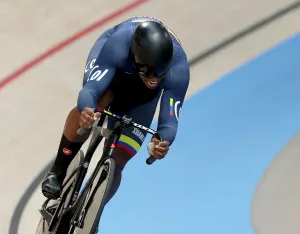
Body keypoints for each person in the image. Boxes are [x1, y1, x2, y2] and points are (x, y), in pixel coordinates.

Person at [41, 16, 190, 205]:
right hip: (113, 69)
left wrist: (161, 142)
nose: (154, 80)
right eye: (149, 74)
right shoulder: (118, 45)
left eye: (160, 75)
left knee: (120, 158)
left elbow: (169, 122)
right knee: (99, 102)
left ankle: (89, 208)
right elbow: (90, 90)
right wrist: (87, 110)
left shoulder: (178, 69)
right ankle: (58, 171)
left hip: (142, 95)